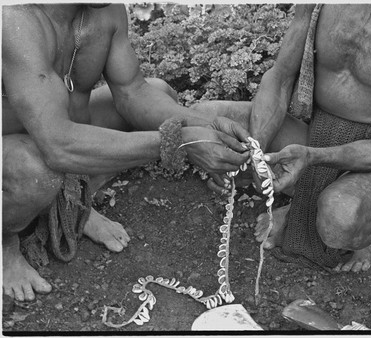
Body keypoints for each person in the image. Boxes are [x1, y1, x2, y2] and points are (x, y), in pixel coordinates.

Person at [2, 3, 250, 302]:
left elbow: (133, 91)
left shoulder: (106, 11)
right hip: (21, 145)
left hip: (59, 134)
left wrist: (207, 127)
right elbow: (57, 146)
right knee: (36, 170)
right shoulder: (14, 18)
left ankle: (75, 202)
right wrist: (178, 141)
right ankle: (6, 245)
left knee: (161, 93)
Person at [197, 4, 371, 272]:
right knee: (208, 119)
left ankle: (369, 234)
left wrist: (312, 157)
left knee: (339, 215)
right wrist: (256, 149)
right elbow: (280, 78)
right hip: (317, 135)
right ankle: (304, 203)